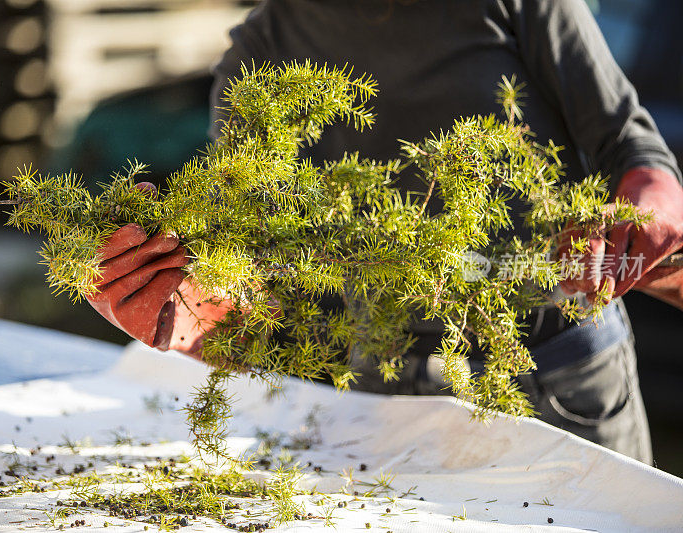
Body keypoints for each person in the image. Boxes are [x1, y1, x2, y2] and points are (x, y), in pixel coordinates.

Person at [86, 0, 683, 464]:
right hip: (379, 391)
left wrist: (652, 193)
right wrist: (188, 303)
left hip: (557, 371)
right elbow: (254, 283)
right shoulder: (263, 48)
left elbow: (629, 140)